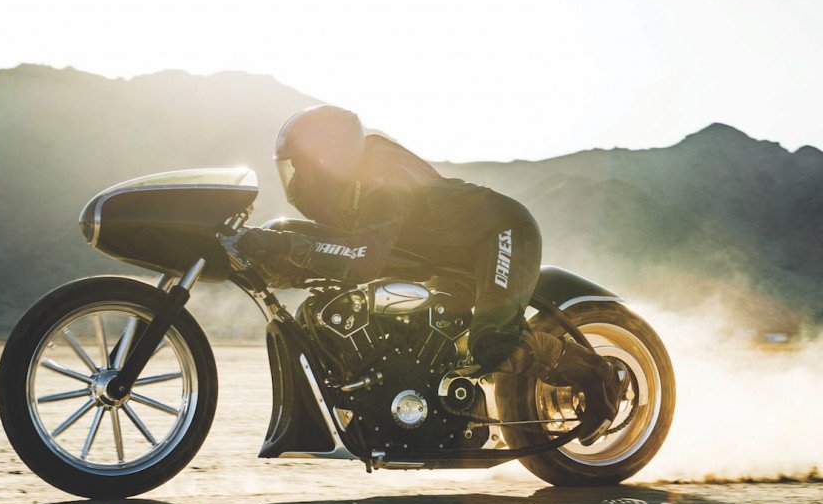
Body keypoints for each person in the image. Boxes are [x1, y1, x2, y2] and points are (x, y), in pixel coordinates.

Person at [238, 105, 628, 442]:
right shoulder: (349, 194)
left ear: (330, 158)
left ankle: (598, 378)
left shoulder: (381, 186)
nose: (299, 180)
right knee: (439, 347)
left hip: (501, 232)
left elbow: (362, 259)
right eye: (292, 169)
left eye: (302, 166)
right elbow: (334, 249)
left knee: (492, 344)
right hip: (450, 259)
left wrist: (288, 246)